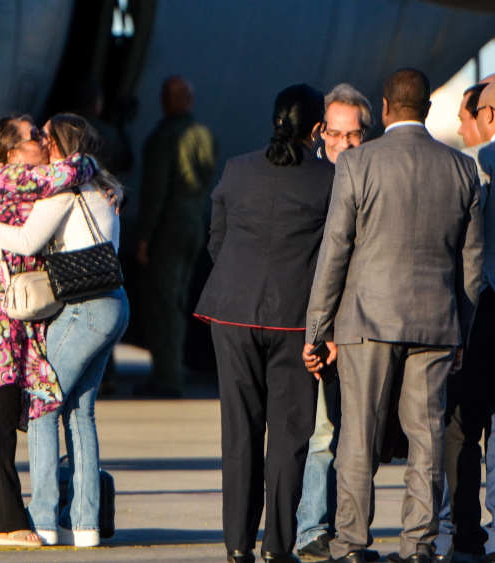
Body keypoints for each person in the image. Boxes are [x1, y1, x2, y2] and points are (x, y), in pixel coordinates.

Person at [304, 68, 484, 563]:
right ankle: (418, 545)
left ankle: (350, 542)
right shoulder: (461, 169)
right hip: (436, 323)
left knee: (358, 436)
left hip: (367, 321)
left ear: (384, 109)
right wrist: (462, 331)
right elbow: (471, 266)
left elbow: (335, 250)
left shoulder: (357, 163)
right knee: (426, 437)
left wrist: (317, 327)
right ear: (427, 109)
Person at [0, 113, 129, 547]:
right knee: (80, 412)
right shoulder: (102, 187)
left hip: (81, 309)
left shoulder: (62, 192)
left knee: (42, 407)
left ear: (58, 146)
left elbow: (27, 242)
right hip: (114, 303)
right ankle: (85, 523)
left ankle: (43, 517)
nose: (40, 141)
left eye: (45, 135)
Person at [194, 84, 333, 563]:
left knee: (239, 432)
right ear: (317, 128)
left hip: (233, 313)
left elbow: (216, 239)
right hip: (295, 319)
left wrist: (242, 284)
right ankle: (277, 546)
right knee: (290, 437)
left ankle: (237, 544)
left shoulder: (238, 169)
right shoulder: (329, 179)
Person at [294, 82, 374, 561]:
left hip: (361, 325)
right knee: (322, 432)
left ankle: (348, 528)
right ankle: (311, 528)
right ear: (320, 132)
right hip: (315, 328)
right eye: (336, 134)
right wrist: (318, 332)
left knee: (358, 435)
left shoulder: (373, 178)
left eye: (354, 135)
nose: (344, 143)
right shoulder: (309, 180)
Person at [435, 81, 495, 562]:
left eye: (466, 116)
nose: (460, 127)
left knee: (461, 427)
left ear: (488, 116)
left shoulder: (474, 166)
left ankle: (465, 535)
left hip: (478, 315)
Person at [134, 75, 215, 397]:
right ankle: (172, 370)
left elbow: (155, 192)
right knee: (178, 300)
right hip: (194, 224)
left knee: (163, 305)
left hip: (167, 228)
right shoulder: (204, 135)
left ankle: (167, 377)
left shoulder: (164, 138)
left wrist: (144, 236)